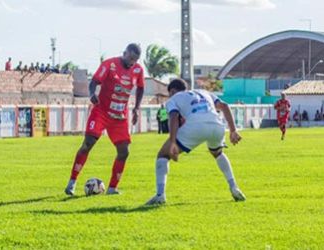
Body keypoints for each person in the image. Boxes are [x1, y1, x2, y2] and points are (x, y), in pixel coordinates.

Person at [146, 78, 245, 205]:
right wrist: (233, 131)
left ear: (172, 91)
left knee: (163, 155)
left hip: (195, 126)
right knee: (218, 153)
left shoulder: (173, 99)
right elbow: (224, 106)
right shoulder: (204, 92)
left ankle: (160, 195)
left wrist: (172, 142)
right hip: (217, 125)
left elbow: (173, 116)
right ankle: (234, 187)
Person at [64, 43, 144, 195]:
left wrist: (136, 108)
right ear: (125, 52)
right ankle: (72, 182)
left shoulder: (138, 70)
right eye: (130, 58)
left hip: (119, 118)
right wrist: (92, 94)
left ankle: (113, 188)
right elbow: (94, 81)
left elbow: (141, 88)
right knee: (88, 144)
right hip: (101, 112)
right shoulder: (109, 64)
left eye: (135, 60)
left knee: (124, 152)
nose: (132, 62)